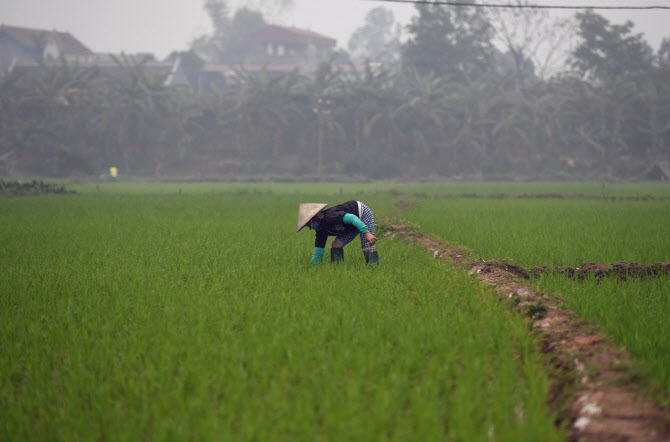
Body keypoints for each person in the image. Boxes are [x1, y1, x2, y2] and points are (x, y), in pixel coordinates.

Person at [297, 201, 379, 265]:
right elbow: (318, 251)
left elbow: (352, 218)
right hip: (349, 226)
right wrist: (312, 268)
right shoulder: (320, 230)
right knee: (336, 244)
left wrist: (366, 233)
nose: (310, 228)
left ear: (314, 219)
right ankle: (337, 268)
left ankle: (374, 269)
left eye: (308, 225)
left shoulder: (330, 216)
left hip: (362, 214)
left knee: (367, 247)